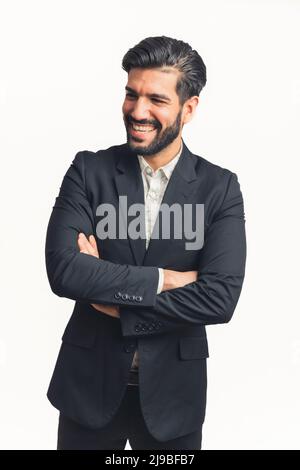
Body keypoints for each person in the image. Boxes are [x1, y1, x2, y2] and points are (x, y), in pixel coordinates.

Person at [45, 35, 246, 450]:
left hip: (174, 397)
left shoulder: (220, 188)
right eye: (131, 95)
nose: (138, 111)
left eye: (156, 99)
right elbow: (66, 271)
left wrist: (115, 300)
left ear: (188, 109)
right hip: (89, 387)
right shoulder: (88, 170)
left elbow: (219, 299)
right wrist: (167, 279)